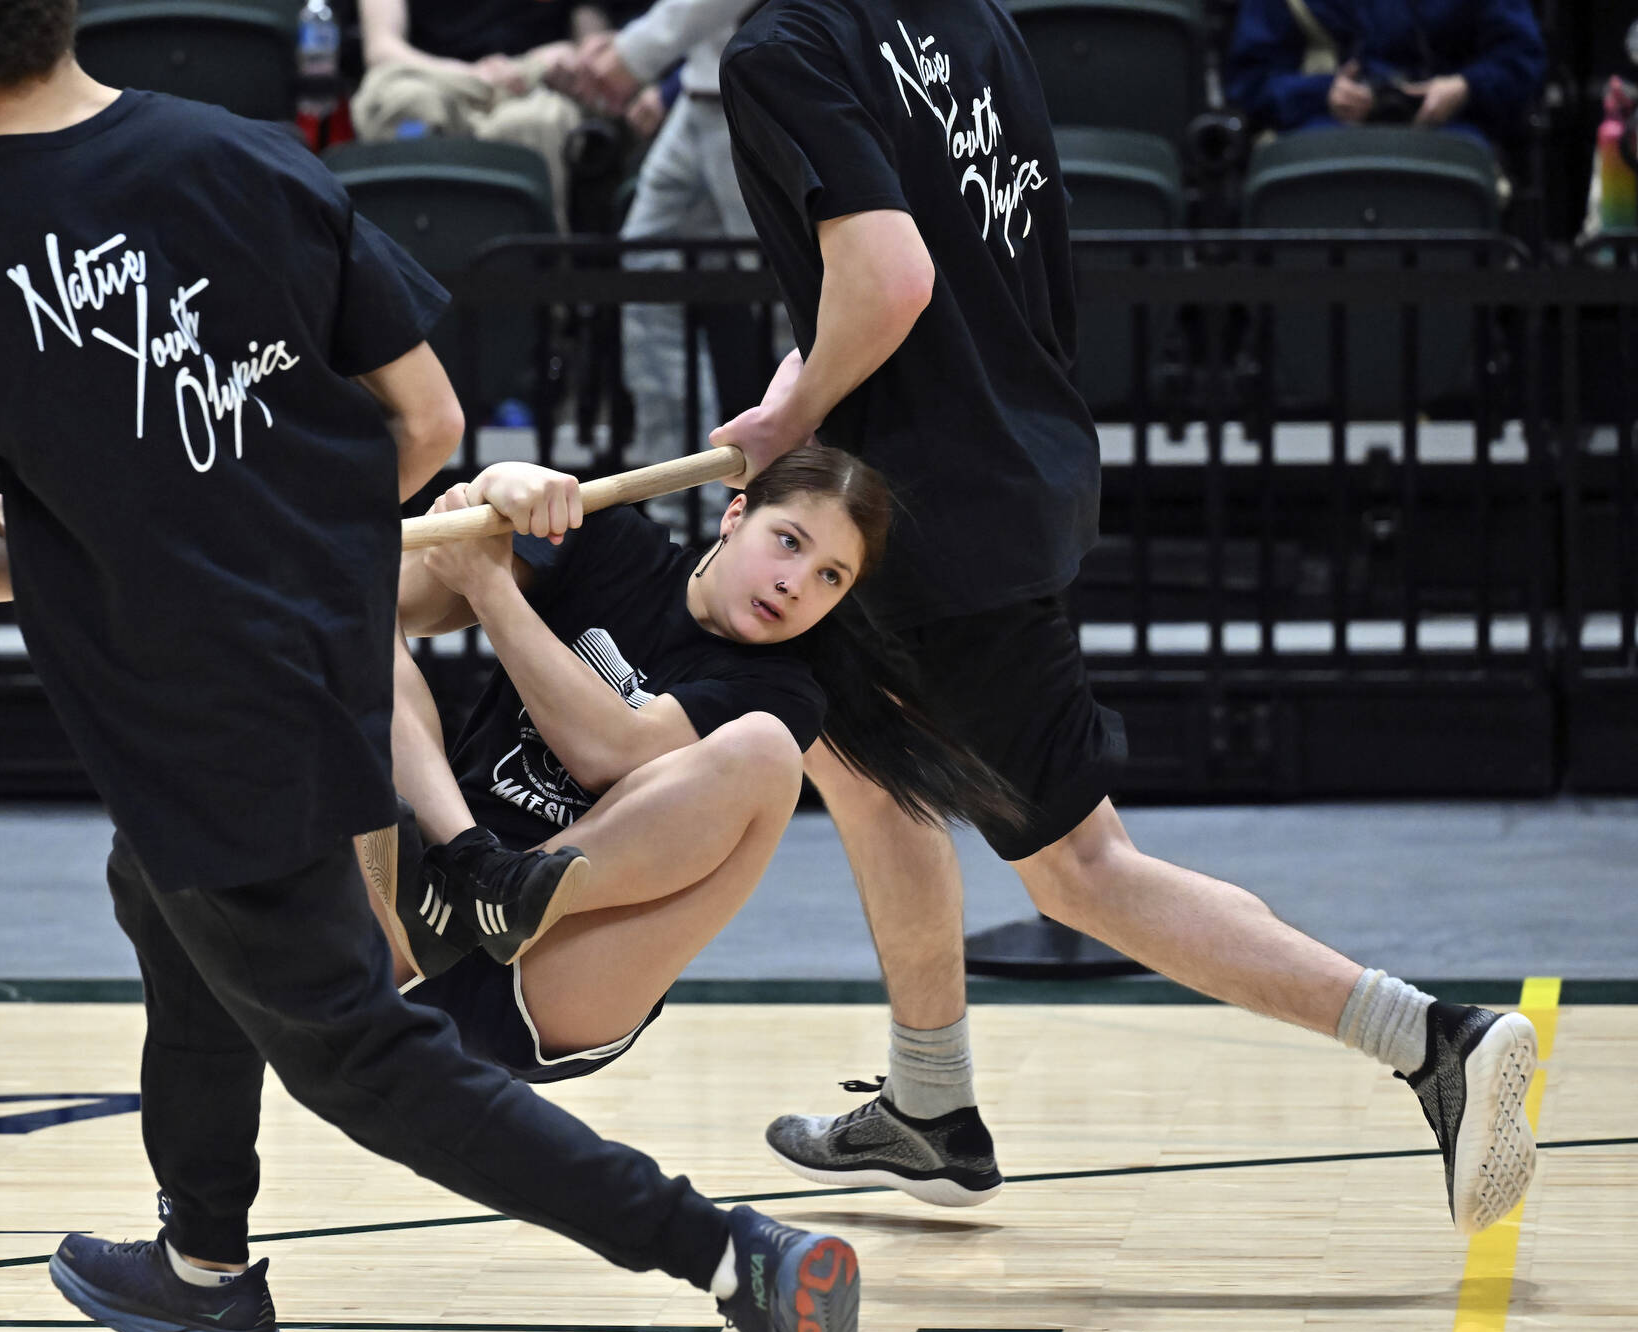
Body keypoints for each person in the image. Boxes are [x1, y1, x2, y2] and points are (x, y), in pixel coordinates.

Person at [0, 2, 861, 1332]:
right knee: (156, 887)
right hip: (327, 641)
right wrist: (281, 539)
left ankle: (729, 1252)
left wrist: (141, 551)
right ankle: (203, 1258)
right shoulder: (249, 159)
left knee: (359, 1055)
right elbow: (432, 425)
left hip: (185, 696)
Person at [708, 0, 1540, 1235]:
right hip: (1009, 460)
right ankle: (929, 1104)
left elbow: (889, 275)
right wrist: (818, 381)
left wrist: (790, 421)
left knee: (1080, 871)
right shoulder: (971, 18)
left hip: (924, 504)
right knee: (869, 767)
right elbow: (977, 260)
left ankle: (1431, 1040)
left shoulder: (781, 44)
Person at [374, 448, 1023, 1085]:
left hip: (556, 969)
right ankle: (466, 866)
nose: (793, 583)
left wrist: (489, 586)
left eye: (831, 576)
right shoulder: (613, 543)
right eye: (789, 542)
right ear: (735, 514)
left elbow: (611, 753)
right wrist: (494, 490)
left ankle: (497, 887)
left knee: (766, 751)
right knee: (349, 618)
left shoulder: (785, 691)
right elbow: (400, 601)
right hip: (423, 908)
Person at [559, 0, 783, 490]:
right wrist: (659, 65)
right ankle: (681, 510)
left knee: (798, 306)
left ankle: (837, 503)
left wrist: (635, 51)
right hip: (705, 86)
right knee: (646, 279)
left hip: (780, 79)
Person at [352, 0, 608, 225]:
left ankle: (538, 271)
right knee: (409, 105)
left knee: (530, 124)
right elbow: (382, 48)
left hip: (530, 83)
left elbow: (595, 49)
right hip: (430, 77)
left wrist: (557, 60)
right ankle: (403, 263)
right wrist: (476, 77)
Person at [1226, 0, 1547, 147]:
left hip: (1447, 132)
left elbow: (1521, 60)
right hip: (1318, 133)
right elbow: (1249, 80)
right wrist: (1321, 93)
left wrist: (1465, 87)